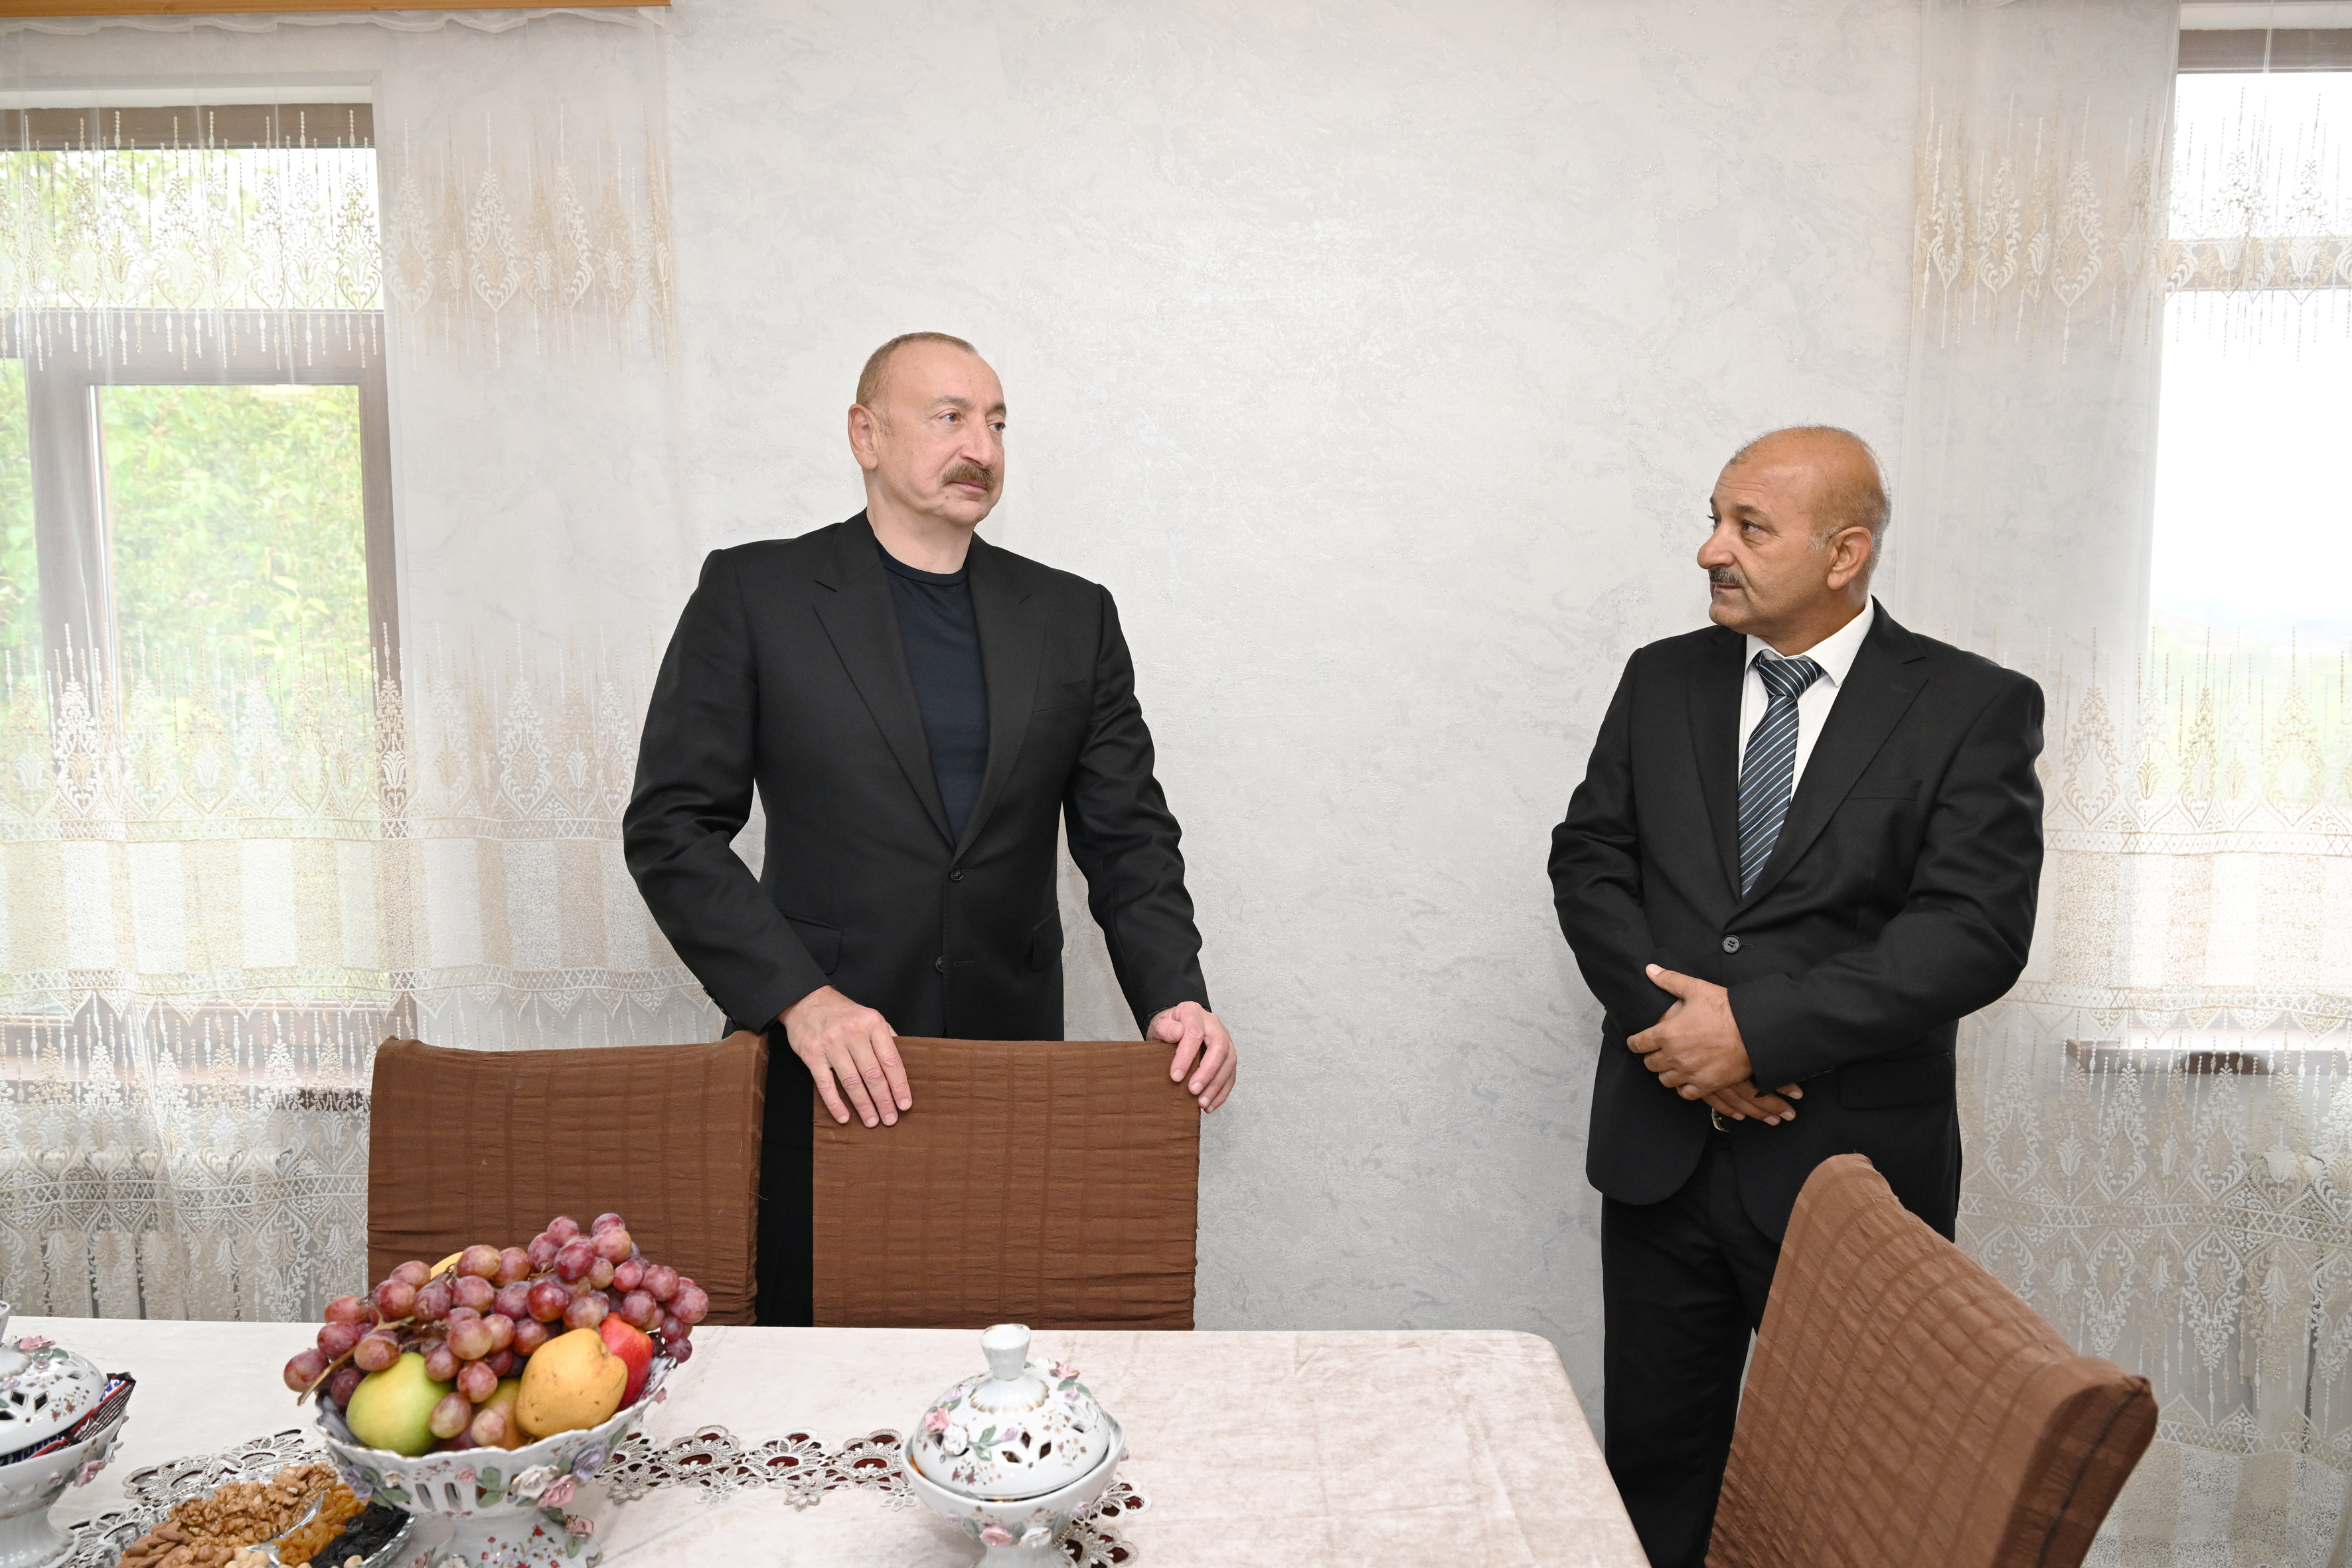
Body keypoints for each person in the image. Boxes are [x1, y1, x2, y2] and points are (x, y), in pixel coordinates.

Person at [624, 331, 1238, 1326]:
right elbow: (671, 827)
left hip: (1010, 1073)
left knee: (1002, 1354)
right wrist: (800, 1000)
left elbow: (1128, 835)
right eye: (949, 417)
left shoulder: (1074, 617)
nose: (981, 448)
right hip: (824, 1071)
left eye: (996, 423)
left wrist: (1173, 992)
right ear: (865, 435)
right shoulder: (756, 594)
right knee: (817, 1366)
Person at [1547, 426, 2043, 1568]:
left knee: (1861, 1490)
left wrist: (1756, 1033)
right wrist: (1679, 1038)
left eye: (1748, 527)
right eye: (1715, 518)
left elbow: (1972, 932)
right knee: (1655, 1476)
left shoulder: (1972, 705)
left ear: (1844, 553)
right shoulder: (1661, 677)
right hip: (1661, 1160)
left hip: (1849, 1173)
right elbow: (1591, 860)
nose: (1710, 549)